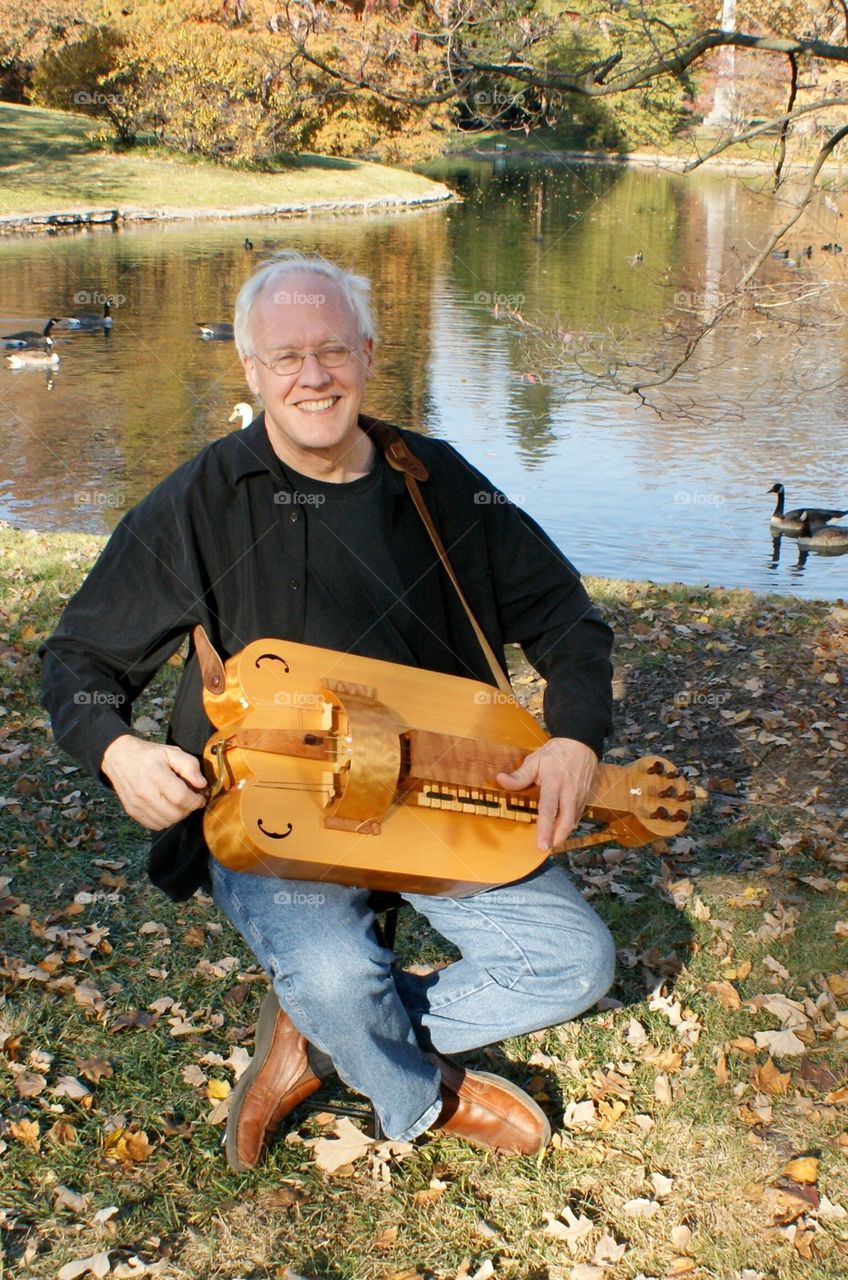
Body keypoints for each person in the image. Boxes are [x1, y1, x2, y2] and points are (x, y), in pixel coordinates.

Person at [41, 251, 616, 1170]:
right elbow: (80, 659)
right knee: (341, 975)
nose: (314, 377)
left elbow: (567, 619)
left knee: (575, 965)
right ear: (252, 370)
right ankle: (413, 1092)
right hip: (275, 815)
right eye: (287, 358)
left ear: (369, 353)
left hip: (441, 802)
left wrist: (577, 737)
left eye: (332, 351)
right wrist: (117, 752)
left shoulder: (438, 481)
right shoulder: (200, 501)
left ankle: (316, 1037)